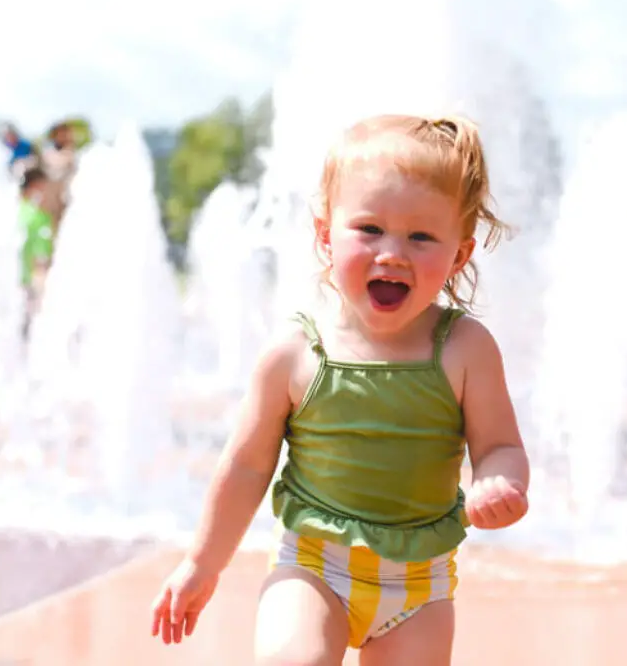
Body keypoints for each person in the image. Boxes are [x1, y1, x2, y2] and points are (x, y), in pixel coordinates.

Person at [151, 114, 531, 665]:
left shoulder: (465, 348)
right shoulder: (294, 353)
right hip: (312, 568)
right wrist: (201, 564)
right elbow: (247, 467)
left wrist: (500, 482)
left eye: (421, 237)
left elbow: (500, 445)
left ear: (459, 255)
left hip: (419, 588)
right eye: (370, 229)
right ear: (325, 234)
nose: (393, 253)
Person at [18, 166, 55, 337]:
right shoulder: (38, 216)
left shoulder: (11, 209)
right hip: (28, 282)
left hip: (18, 281)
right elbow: (42, 258)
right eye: (43, 187)